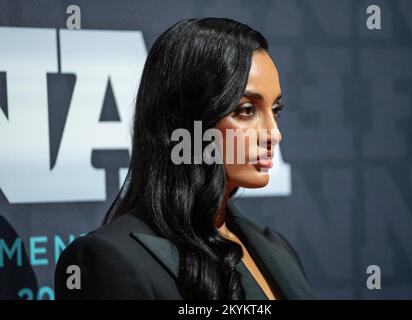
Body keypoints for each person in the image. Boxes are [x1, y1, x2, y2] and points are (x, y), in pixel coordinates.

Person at [54, 17, 315, 300]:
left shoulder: (275, 248)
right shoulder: (108, 260)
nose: (273, 134)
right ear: (187, 121)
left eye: (275, 110)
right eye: (247, 110)